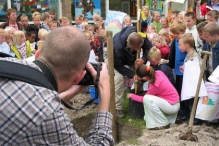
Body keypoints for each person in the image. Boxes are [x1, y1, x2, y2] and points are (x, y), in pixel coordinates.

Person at [0, 26, 114, 145]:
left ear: (38, 55)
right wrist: (105, 95)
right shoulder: (48, 115)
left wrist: (65, 94)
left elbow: (26, 100)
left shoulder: (6, 62)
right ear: (79, 77)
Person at [113, 26, 152, 118]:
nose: (137, 50)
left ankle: (139, 95)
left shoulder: (139, 34)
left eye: (139, 48)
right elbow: (117, 65)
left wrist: (143, 59)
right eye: (135, 49)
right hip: (117, 61)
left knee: (143, 73)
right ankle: (118, 107)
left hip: (132, 59)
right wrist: (132, 74)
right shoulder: (117, 46)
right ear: (128, 42)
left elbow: (149, 48)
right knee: (118, 80)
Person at [127, 65, 180, 130]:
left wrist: (132, 96)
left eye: (141, 77)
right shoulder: (158, 73)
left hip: (171, 107)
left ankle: (162, 124)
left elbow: (144, 99)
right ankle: (166, 119)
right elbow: (148, 79)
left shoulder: (155, 85)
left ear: (145, 77)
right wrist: (140, 81)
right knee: (146, 116)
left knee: (147, 98)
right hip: (174, 102)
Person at [168, 20, 187, 121]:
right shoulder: (175, 41)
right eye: (174, 33)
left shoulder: (186, 40)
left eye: (177, 33)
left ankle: (185, 113)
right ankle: (180, 112)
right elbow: (172, 54)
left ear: (183, 31)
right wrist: (170, 65)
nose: (175, 35)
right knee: (178, 90)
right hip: (176, 69)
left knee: (184, 92)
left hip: (184, 71)